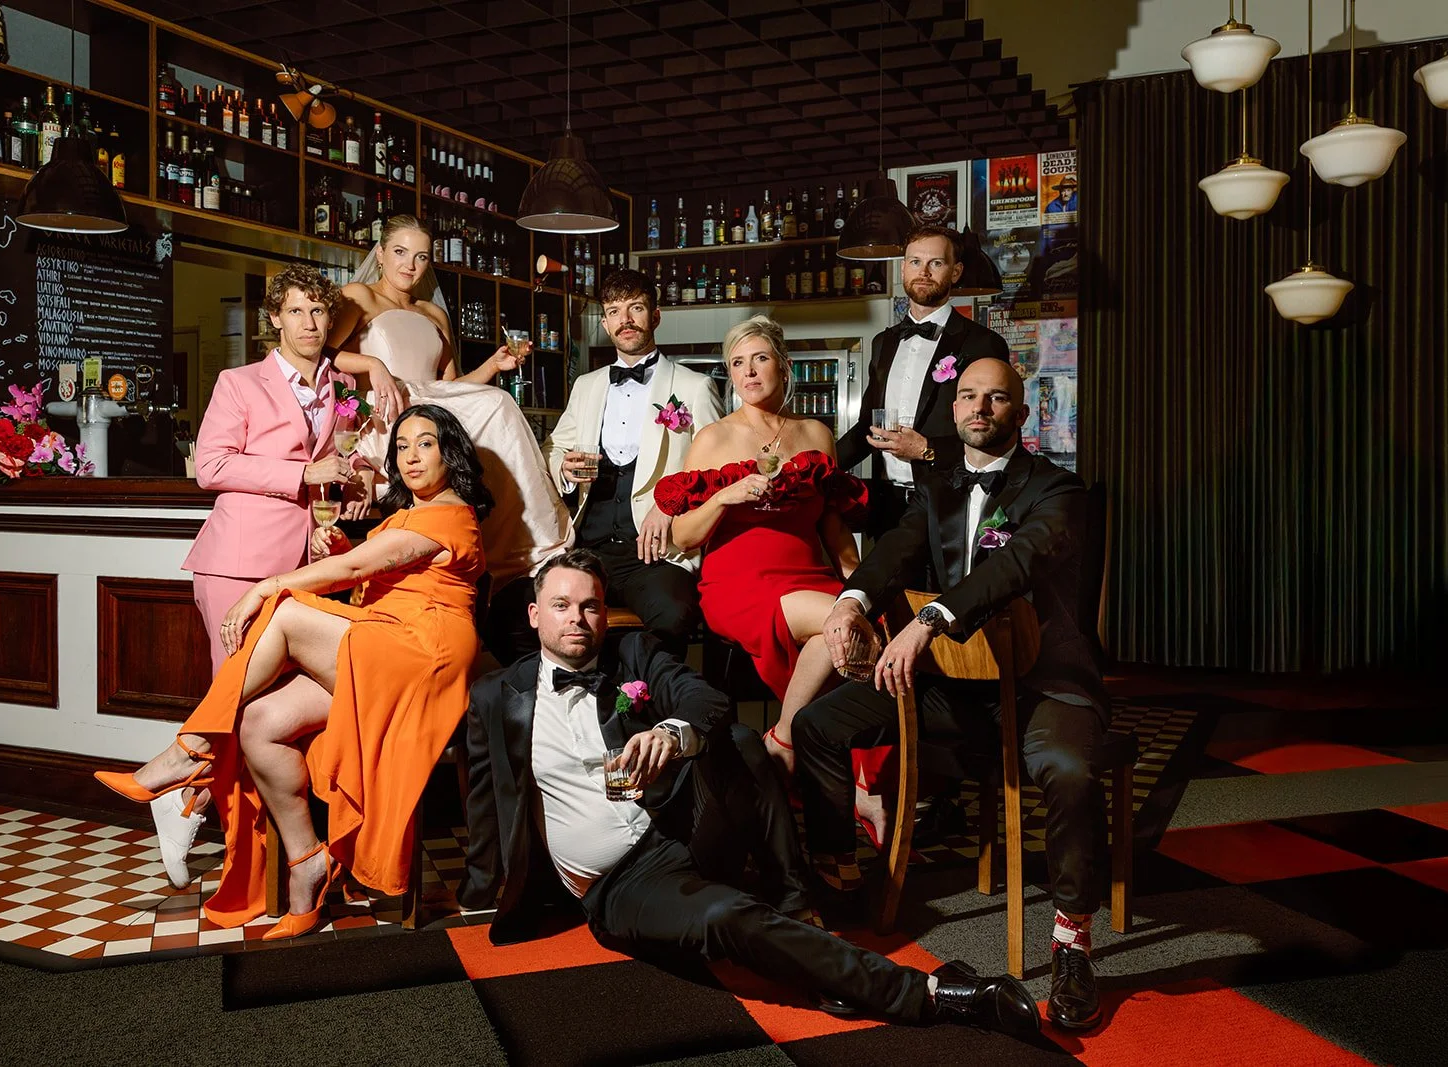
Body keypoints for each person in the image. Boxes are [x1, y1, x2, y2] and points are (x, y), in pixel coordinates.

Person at [458, 550, 1041, 1040]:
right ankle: (933, 992)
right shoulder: (495, 696)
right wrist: (481, 897)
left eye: (589, 605)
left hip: (677, 827)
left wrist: (669, 732)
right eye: (561, 606)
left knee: (739, 741)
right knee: (725, 916)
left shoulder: (632, 655)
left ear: (605, 615)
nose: (577, 619)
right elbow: (486, 799)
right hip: (620, 885)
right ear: (535, 616)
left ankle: (795, 905)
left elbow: (707, 702)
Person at [796, 358, 1111, 1032]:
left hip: (1041, 685)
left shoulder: (1060, 490)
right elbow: (894, 551)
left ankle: (1072, 942)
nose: (980, 407)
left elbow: (1014, 562)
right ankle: (842, 885)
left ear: (1020, 415)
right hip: (952, 688)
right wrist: (848, 604)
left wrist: (929, 618)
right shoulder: (936, 485)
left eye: (997, 397)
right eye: (968, 395)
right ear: (954, 409)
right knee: (818, 726)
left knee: (1071, 770)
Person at [96, 405, 491, 940]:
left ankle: (188, 751)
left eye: (425, 443)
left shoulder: (450, 512)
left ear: (452, 450)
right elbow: (380, 573)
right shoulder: (408, 514)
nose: (411, 456)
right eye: (401, 446)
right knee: (261, 722)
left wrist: (267, 584)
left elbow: (358, 573)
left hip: (425, 651)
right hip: (384, 638)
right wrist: (350, 547)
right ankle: (308, 862)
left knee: (282, 610)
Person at [166, 265, 364, 887]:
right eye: (298, 312)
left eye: (319, 313)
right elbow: (209, 465)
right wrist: (299, 475)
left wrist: (351, 486)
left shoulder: (337, 386)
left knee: (267, 716)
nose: (310, 324)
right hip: (237, 563)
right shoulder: (239, 381)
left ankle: (199, 813)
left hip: (303, 572)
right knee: (235, 700)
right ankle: (218, 834)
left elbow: (347, 457)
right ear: (274, 319)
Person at [652, 315, 864, 779]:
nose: (749, 372)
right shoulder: (714, 438)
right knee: (838, 623)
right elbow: (684, 536)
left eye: (760, 359)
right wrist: (725, 496)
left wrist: (863, 586)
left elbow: (833, 527)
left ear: (783, 366)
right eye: (738, 363)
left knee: (870, 628)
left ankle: (838, 770)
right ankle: (792, 741)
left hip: (810, 577)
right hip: (740, 583)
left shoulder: (816, 435)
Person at [328, 215, 572, 606]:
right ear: (380, 253)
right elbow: (325, 356)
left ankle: (531, 551)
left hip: (433, 407)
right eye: (400, 252)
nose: (410, 265)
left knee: (500, 401)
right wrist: (374, 367)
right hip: (388, 411)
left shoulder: (434, 314)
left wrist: (493, 366)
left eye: (421, 256)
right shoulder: (360, 296)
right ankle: (536, 549)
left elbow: (451, 391)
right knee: (490, 408)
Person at [508, 267, 722, 660]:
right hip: (589, 546)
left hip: (658, 552)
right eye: (614, 311)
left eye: (635, 308)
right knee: (514, 610)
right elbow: (553, 450)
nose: (625, 320)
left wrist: (670, 504)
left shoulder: (694, 387)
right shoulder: (587, 386)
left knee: (673, 615)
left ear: (654, 316)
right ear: (605, 322)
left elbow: (718, 470)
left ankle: (645, 703)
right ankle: (565, 702)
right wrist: (565, 469)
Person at [838, 226, 1010, 541]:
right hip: (886, 506)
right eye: (915, 262)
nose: (924, 272)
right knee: (884, 590)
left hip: (951, 505)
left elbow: (996, 434)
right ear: (902, 268)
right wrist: (813, 469)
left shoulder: (983, 344)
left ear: (956, 272)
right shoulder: (883, 342)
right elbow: (867, 427)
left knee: (943, 593)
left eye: (936, 263)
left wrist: (926, 449)